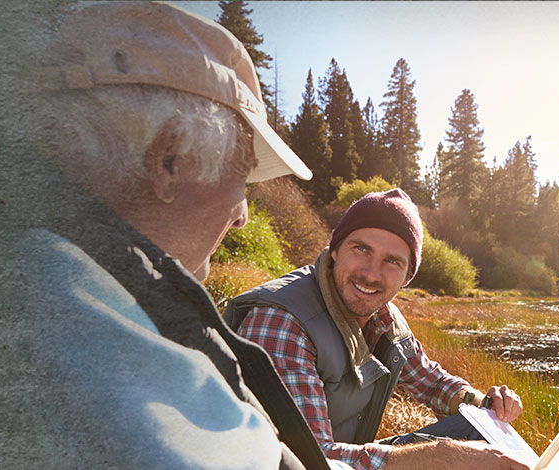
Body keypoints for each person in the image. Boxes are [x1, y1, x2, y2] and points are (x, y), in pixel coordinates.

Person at [0, 2, 347, 468]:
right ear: (170, 159)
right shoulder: (82, 322)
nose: (242, 215)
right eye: (242, 177)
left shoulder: (72, 276)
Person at [226, 189, 529, 470]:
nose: (371, 274)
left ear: (407, 277)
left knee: (481, 428)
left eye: (392, 261)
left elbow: (433, 384)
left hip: (341, 460)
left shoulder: (384, 318)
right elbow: (309, 458)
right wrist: (440, 457)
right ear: (335, 249)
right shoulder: (282, 321)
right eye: (361, 249)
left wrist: (486, 403)